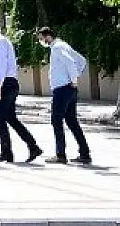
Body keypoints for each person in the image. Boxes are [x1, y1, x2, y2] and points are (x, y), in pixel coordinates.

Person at [0, 16, 42, 163]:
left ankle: (6, 153)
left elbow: (1, 66)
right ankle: (33, 146)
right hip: (8, 83)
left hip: (5, 83)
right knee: (10, 118)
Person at [37, 27, 91, 165]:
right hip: (68, 89)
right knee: (72, 121)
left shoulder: (57, 48)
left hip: (62, 90)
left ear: (48, 36)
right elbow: (81, 61)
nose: (41, 41)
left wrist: (73, 80)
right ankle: (84, 153)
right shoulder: (64, 45)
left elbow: (71, 63)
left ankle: (60, 155)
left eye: (41, 38)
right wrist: (74, 79)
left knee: (56, 121)